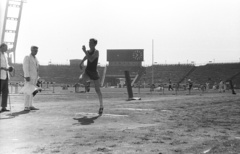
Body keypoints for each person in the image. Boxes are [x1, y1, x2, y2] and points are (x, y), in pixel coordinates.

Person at [79, 38, 103, 115]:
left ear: (95, 44)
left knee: (97, 90)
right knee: (81, 79)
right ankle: (87, 84)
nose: (90, 44)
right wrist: (81, 62)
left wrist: (85, 51)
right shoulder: (88, 52)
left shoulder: (96, 52)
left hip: (94, 72)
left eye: (91, 43)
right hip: (88, 71)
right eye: (89, 42)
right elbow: (86, 57)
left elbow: (91, 59)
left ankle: (101, 106)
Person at [22, 46, 40, 111]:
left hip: (34, 77)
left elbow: (37, 69)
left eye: (37, 51)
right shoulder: (27, 57)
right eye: (35, 50)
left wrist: (37, 78)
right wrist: (27, 76)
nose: (36, 52)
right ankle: (26, 106)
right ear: (31, 50)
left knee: (32, 91)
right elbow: (25, 67)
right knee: (27, 91)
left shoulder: (36, 59)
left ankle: (30, 105)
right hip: (29, 77)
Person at [0, 43, 13, 112]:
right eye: (5, 47)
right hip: (0, 76)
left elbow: (6, 64)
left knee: (5, 92)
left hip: (5, 75)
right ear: (2, 47)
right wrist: (3, 68)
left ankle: (4, 107)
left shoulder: (5, 54)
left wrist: (9, 67)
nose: (7, 49)